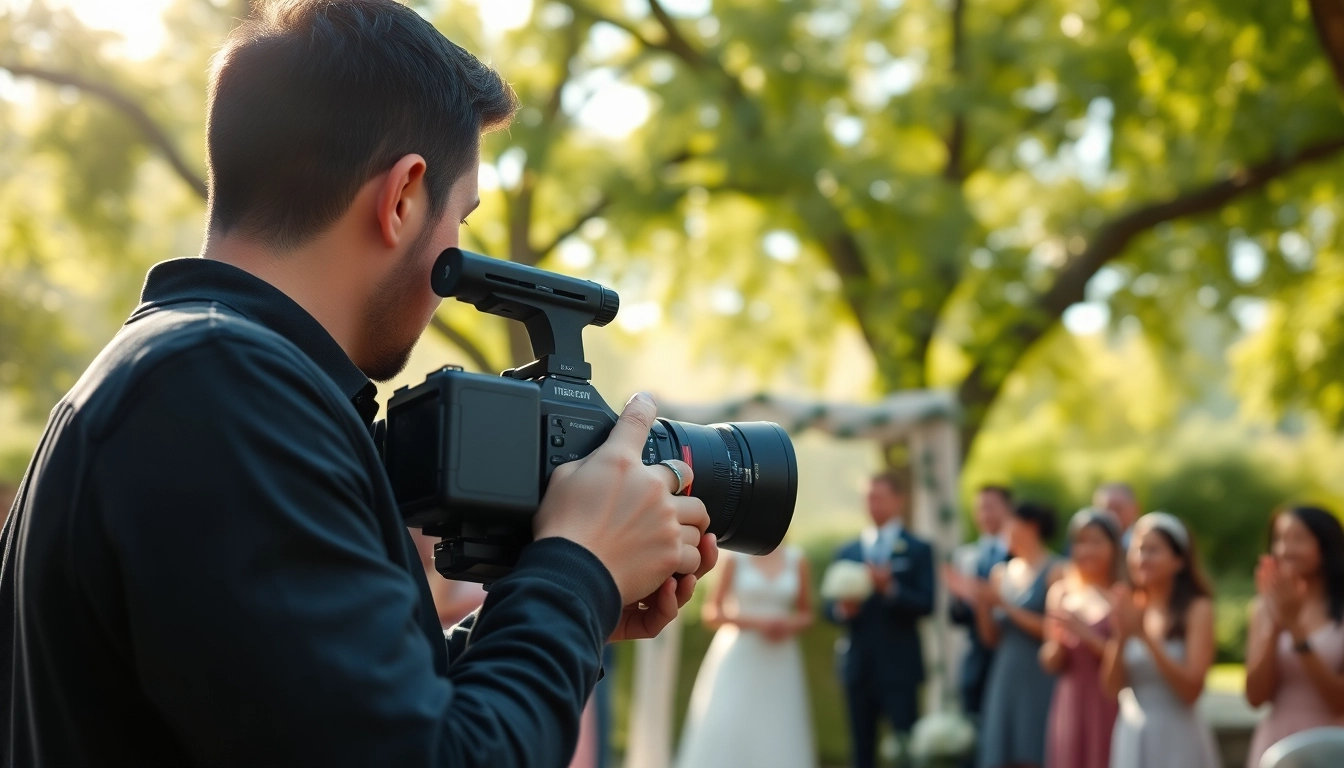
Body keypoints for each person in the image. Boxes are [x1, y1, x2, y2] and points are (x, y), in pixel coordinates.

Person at [0, 2, 719, 765]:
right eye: (462, 219)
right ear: (405, 196)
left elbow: (331, 724)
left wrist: (556, 609)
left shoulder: (181, 377)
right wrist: (579, 572)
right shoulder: (227, 395)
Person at [826, 472, 935, 768]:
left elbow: (927, 605)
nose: (873, 505)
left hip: (900, 667)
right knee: (861, 750)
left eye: (880, 497)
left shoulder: (918, 549)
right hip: (858, 666)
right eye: (869, 498)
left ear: (899, 500)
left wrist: (891, 590)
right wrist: (842, 610)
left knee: (906, 749)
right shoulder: (848, 551)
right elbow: (827, 607)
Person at [675, 544, 817, 768]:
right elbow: (712, 611)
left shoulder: (797, 559)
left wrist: (788, 624)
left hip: (780, 658)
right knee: (730, 718)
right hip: (739, 653)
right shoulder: (735, 558)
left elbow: (807, 613)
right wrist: (758, 623)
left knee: (778, 721)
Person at [1103, 512, 1220, 768]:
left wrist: (1144, 636)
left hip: (1176, 736)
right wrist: (1121, 638)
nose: (1141, 559)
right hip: (1131, 732)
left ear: (1179, 560)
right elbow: (1112, 688)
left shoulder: (1197, 609)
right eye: (1137, 549)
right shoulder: (1131, 606)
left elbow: (1191, 691)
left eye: (1153, 550)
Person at [1245, 505, 1344, 767]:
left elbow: (1338, 701)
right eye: (1279, 539)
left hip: (1331, 744)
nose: (1285, 549)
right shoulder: (1261, 608)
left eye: (1298, 539)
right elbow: (1255, 697)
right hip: (1276, 741)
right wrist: (1275, 627)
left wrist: (1296, 631)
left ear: (1326, 545)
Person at [974, 501, 1064, 768]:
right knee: (1002, 750)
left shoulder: (1057, 570)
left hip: (1040, 672)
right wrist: (981, 604)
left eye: (1008, 526)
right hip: (1005, 672)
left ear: (1031, 527)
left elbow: (1055, 630)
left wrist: (1005, 606)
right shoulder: (1000, 573)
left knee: (1035, 747)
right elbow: (991, 638)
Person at [1040, 509, 1123, 768]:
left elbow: (1126, 661)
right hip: (1070, 702)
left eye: (1096, 542)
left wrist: (1086, 635)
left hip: (1109, 701)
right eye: (1080, 542)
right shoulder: (1060, 592)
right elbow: (1050, 661)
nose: (1087, 550)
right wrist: (1055, 647)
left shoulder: (1123, 594)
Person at [947, 485, 1013, 729]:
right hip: (976, 659)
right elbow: (955, 617)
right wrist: (963, 597)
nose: (984, 514)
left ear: (1008, 509)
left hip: (1009, 654)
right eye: (979, 509)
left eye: (990, 507)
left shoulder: (1019, 553)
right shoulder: (966, 556)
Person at [1093, 482, 1142, 548]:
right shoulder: (1090, 547)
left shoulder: (1143, 545)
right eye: (1107, 510)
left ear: (1135, 509)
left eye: (1118, 509)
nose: (1113, 515)